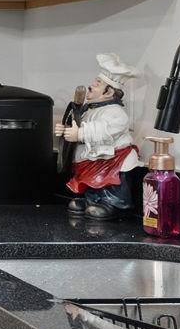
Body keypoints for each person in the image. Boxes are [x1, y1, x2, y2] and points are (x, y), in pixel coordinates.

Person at [57, 54, 142, 220]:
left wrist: (80, 133)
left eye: (97, 83)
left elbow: (103, 129)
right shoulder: (90, 109)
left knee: (111, 182)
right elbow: (80, 125)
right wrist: (67, 129)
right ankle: (92, 201)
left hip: (113, 157)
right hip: (94, 158)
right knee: (93, 181)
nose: (91, 85)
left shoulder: (116, 112)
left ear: (108, 92)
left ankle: (115, 204)